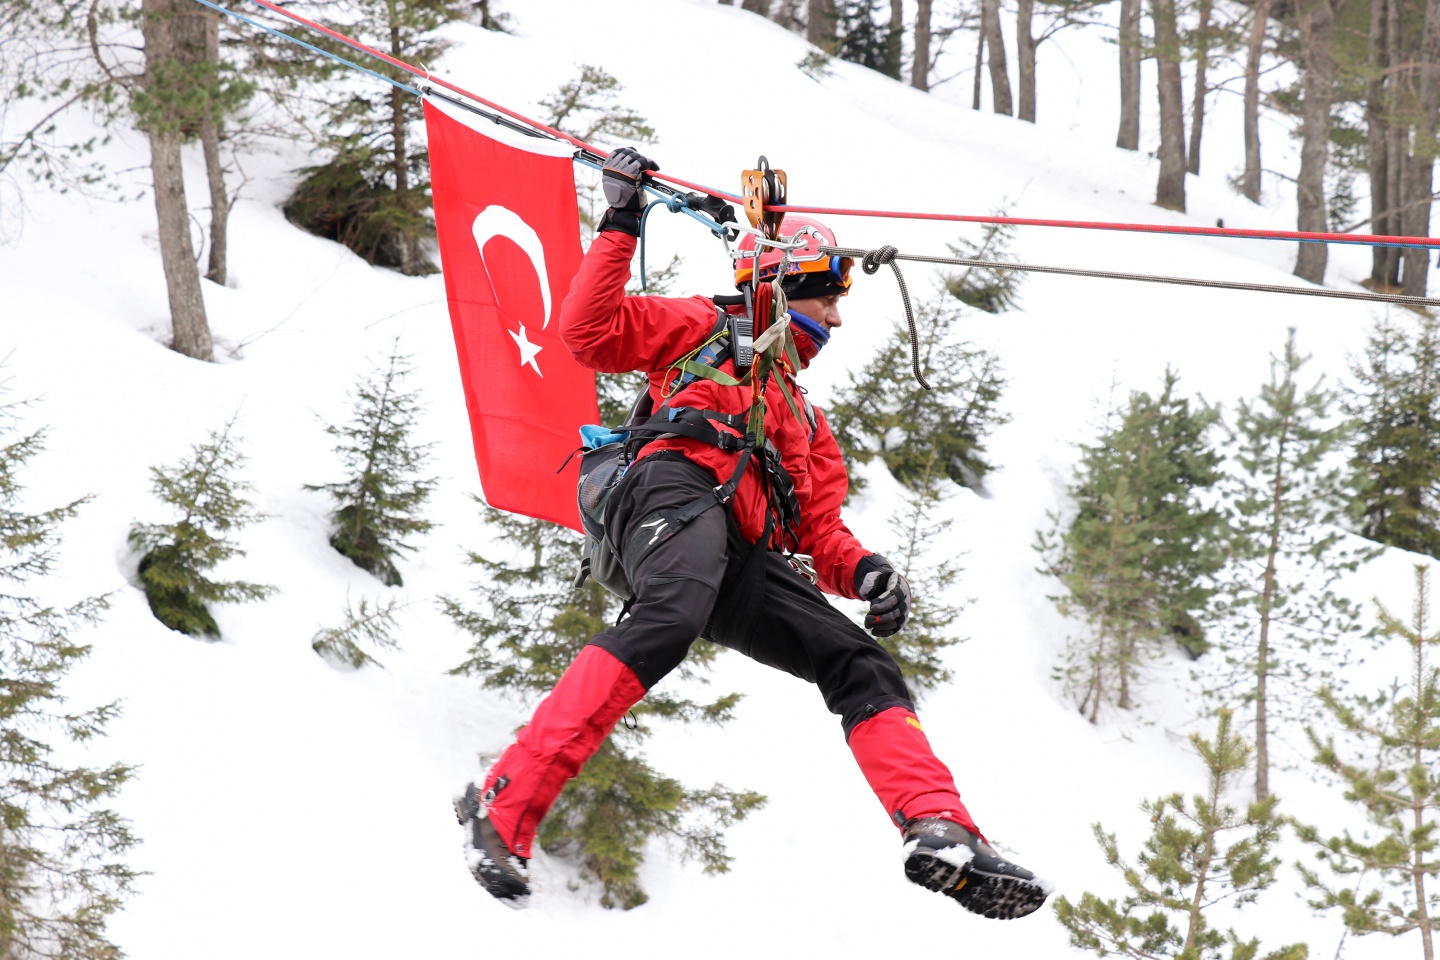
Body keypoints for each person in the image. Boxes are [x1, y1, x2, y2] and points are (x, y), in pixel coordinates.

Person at [455, 147, 1051, 919]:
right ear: (781, 286)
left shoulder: (805, 420)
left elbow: (819, 530)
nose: (837, 320)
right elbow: (586, 330)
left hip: (735, 547)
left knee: (860, 663)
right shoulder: (704, 327)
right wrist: (621, 220)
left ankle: (939, 826)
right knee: (669, 615)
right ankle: (503, 804)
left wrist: (864, 571)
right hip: (671, 488)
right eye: (827, 300)